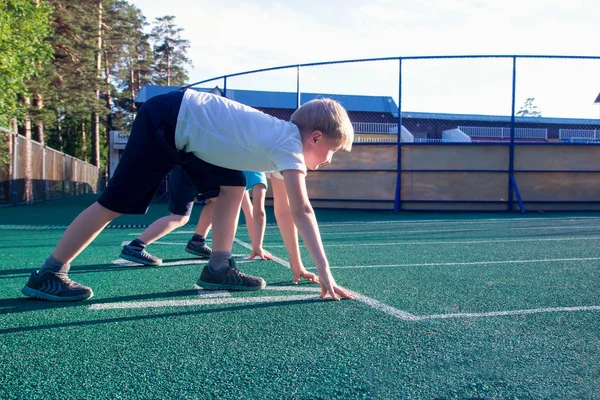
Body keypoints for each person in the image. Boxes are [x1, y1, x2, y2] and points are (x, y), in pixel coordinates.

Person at [21, 88, 355, 301]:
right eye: (333, 150)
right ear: (314, 137)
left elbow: (285, 211)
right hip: (168, 119)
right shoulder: (288, 145)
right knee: (115, 202)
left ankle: (218, 267)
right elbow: (303, 210)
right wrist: (325, 269)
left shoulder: (280, 142)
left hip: (188, 132)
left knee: (234, 184)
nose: (329, 160)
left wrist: (297, 265)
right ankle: (49, 273)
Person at [119, 166, 216, 266]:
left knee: (217, 201)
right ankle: (135, 247)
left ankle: (198, 241)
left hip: (188, 166)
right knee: (179, 217)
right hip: (193, 166)